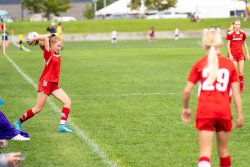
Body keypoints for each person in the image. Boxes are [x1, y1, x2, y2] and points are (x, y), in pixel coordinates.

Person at [182, 29, 243, 167]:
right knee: (224, 152)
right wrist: (240, 115)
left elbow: (187, 91)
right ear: (220, 44)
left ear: (204, 45)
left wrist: (186, 108)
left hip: (205, 111)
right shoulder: (229, 65)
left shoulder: (200, 64)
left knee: (205, 153)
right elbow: (236, 93)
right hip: (224, 111)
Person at [13, 33, 73, 133]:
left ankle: (62, 126)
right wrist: (34, 38)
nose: (60, 47)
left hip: (54, 84)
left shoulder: (57, 53)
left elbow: (48, 38)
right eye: (58, 45)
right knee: (38, 109)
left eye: (60, 45)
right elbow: (46, 38)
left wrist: (51, 35)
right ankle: (18, 122)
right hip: (46, 83)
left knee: (67, 101)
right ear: (51, 45)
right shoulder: (48, 53)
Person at [226, 19, 249, 93]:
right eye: (236, 24)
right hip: (233, 55)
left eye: (239, 24)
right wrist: (230, 55)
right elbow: (228, 46)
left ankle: (241, 88)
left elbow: (244, 44)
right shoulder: (230, 34)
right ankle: (233, 86)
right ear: (234, 25)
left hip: (240, 54)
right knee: (234, 71)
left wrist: (247, 53)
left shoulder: (243, 33)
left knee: (241, 71)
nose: (237, 26)